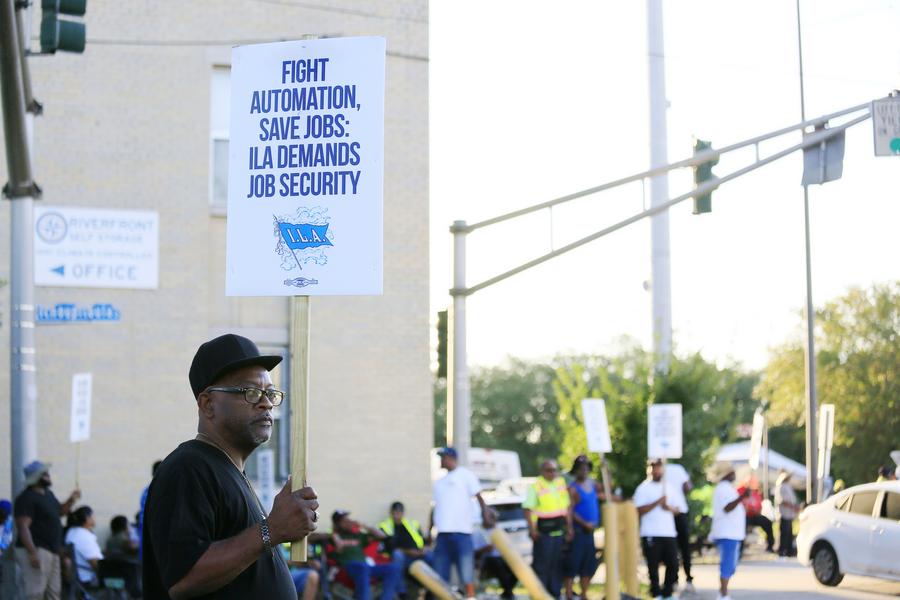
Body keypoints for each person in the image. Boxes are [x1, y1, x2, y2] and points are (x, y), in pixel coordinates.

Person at [142, 333, 319, 599]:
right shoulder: (189, 468)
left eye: (270, 393)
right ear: (208, 404)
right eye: (250, 392)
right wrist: (272, 529)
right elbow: (184, 578)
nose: (267, 403)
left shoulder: (231, 472)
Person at [430, 447, 494, 600]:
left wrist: (486, 515)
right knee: (440, 573)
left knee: (466, 572)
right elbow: (434, 508)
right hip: (442, 534)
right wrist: (429, 529)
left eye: (443, 457)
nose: (441, 460)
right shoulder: (439, 482)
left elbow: (479, 496)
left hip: (462, 532)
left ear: (451, 458)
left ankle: (470, 597)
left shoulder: (465, 475)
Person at [13, 460, 81, 600]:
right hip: (37, 549)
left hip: (52, 550)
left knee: (53, 592)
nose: (48, 475)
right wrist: (32, 552)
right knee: (35, 592)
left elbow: (60, 512)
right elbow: (23, 526)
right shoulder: (26, 498)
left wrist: (72, 499)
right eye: (44, 474)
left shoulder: (48, 495)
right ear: (36, 478)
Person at [523, 459, 573, 600]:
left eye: (554, 470)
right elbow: (528, 509)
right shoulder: (536, 486)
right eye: (549, 470)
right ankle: (540, 595)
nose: (552, 473)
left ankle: (554, 594)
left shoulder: (560, 483)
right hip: (543, 533)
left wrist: (569, 527)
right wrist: (532, 530)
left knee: (557, 566)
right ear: (542, 471)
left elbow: (566, 507)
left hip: (559, 531)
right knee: (542, 567)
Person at [633, 458, 679, 600]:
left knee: (673, 564)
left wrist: (668, 507)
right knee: (653, 566)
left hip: (668, 532)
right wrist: (658, 502)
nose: (656, 470)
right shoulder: (643, 488)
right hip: (651, 532)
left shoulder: (669, 487)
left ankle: (667, 593)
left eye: (659, 467)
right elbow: (639, 510)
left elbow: (678, 509)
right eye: (654, 467)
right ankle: (656, 593)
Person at [331, 509, 401, 600]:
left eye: (348, 519)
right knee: (362, 567)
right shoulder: (333, 538)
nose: (348, 522)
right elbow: (312, 537)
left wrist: (363, 525)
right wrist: (332, 535)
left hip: (366, 567)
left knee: (394, 568)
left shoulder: (357, 535)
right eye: (344, 521)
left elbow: (382, 536)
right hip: (348, 568)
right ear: (337, 524)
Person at [563, 455, 602, 600]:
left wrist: (605, 468)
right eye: (580, 469)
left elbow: (607, 488)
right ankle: (568, 594)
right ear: (576, 471)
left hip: (590, 532)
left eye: (586, 468)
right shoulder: (572, 488)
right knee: (573, 563)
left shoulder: (592, 485)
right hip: (579, 531)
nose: (583, 471)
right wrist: (581, 524)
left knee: (588, 564)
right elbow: (570, 510)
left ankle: (584, 594)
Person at [709, 462, 746, 600]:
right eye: (733, 472)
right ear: (728, 474)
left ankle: (722, 592)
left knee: (731, 565)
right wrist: (742, 497)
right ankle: (724, 594)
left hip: (732, 533)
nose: (735, 475)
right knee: (727, 564)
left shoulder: (728, 488)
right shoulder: (723, 488)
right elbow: (727, 507)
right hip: (727, 533)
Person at [378, 501, 430, 596]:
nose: (397, 514)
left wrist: (424, 548)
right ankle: (402, 592)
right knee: (397, 556)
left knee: (431, 555)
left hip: (418, 554)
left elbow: (423, 539)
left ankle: (432, 589)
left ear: (403, 513)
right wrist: (409, 552)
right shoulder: (385, 526)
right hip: (403, 556)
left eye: (399, 512)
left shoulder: (412, 523)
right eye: (395, 512)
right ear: (391, 513)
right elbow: (390, 547)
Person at [662, 461, 694, 593]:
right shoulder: (678, 468)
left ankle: (675, 581)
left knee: (673, 549)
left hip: (670, 513)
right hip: (675, 513)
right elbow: (687, 487)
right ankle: (686, 580)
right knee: (683, 548)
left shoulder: (657, 471)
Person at [471, 519, 516, 600]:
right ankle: (508, 593)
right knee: (496, 564)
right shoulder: (478, 532)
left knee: (515, 569)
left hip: (501, 558)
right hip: (487, 560)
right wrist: (485, 549)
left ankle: (507, 592)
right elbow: (474, 553)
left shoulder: (498, 530)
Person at [64, 506, 103, 589]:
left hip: (78, 575)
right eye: (93, 516)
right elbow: (94, 562)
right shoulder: (83, 535)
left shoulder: (72, 531)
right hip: (88, 578)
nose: (95, 518)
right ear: (87, 519)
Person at [736, 476, 774, 553]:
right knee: (743, 527)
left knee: (767, 522)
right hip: (744, 516)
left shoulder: (755, 493)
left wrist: (756, 511)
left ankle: (770, 546)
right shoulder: (739, 491)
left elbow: (759, 506)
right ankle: (740, 549)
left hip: (754, 515)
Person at [774, 470, 799, 558]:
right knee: (784, 533)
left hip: (790, 514)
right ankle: (781, 551)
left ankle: (789, 551)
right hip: (783, 514)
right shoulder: (780, 487)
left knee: (789, 533)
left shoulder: (788, 486)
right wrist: (793, 506)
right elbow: (781, 500)